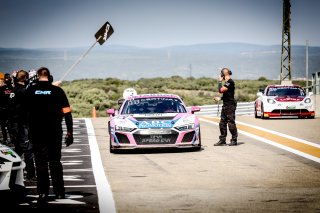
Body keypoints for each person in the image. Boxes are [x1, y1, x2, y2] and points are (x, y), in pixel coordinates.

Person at [25, 67, 74, 203]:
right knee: (55, 162)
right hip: (54, 133)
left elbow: (23, 112)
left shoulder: (31, 91)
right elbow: (67, 114)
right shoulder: (58, 91)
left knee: (40, 163)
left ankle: (43, 193)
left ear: (37, 77)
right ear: (49, 77)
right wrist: (70, 132)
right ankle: (59, 192)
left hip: (37, 133)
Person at [7, 70, 36, 180]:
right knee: (28, 149)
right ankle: (31, 174)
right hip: (22, 124)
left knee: (18, 150)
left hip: (13, 124)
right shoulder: (23, 91)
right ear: (25, 78)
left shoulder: (13, 91)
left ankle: (13, 174)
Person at [214, 68, 238, 146]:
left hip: (230, 105)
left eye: (222, 75)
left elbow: (221, 90)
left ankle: (234, 140)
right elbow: (228, 95)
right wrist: (220, 98)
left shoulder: (230, 82)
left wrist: (220, 81)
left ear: (224, 75)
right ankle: (222, 140)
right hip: (226, 105)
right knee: (222, 123)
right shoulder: (227, 83)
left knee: (231, 123)